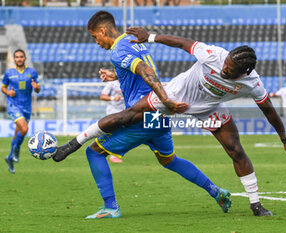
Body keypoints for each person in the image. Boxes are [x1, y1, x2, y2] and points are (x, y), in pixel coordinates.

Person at [54, 26, 286, 217]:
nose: (223, 69)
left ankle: (255, 204)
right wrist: (150, 37)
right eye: (225, 64)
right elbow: (182, 43)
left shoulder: (253, 83)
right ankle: (74, 143)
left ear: (244, 73)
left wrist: (285, 140)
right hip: (175, 95)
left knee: (235, 149)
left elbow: (269, 111)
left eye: (229, 70)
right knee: (164, 156)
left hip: (203, 107)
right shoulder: (214, 55)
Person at [54, 11, 232, 219]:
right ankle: (216, 192)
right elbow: (138, 71)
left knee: (94, 152)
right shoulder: (134, 42)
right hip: (158, 116)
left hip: (144, 115)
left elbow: (145, 69)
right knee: (169, 160)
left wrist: (165, 98)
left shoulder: (117, 50)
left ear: (103, 31)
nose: (96, 41)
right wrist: (116, 75)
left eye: (95, 36)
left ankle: (110, 208)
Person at [2, 49, 40, 174]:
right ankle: (17, 149)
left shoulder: (32, 72)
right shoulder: (9, 73)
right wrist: (8, 92)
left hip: (26, 107)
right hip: (13, 105)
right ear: (14, 59)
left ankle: (10, 158)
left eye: (21, 57)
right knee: (24, 129)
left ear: (24, 58)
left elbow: (38, 88)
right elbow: (3, 87)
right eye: (17, 57)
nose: (19, 59)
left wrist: (37, 87)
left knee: (18, 133)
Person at [99, 79, 124, 163]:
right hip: (112, 111)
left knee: (119, 133)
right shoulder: (111, 84)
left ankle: (101, 148)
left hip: (124, 111)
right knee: (114, 132)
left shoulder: (127, 81)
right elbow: (102, 96)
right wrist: (113, 98)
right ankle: (112, 155)